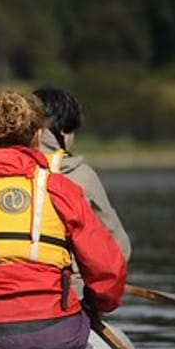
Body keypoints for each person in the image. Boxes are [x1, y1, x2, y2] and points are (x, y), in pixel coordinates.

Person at [0, 90, 126, 349]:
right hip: (53, 329)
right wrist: (95, 303)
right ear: (38, 135)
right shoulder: (61, 189)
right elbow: (107, 268)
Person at [32, 86, 132, 262]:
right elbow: (119, 246)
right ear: (63, 131)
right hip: (67, 285)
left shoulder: (4, 168)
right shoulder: (81, 176)